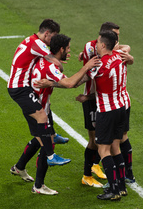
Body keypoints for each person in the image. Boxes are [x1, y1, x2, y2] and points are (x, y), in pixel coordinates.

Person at [11, 34, 101, 195]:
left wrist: (89, 74)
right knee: (47, 143)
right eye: (68, 48)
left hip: (40, 105)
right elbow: (70, 83)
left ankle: (19, 167)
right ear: (61, 49)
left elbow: (67, 82)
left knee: (41, 140)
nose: (69, 51)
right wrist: (86, 67)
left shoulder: (41, 61)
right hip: (38, 109)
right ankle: (39, 186)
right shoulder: (50, 66)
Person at [7, 19, 71, 193]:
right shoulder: (37, 44)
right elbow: (53, 59)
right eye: (54, 37)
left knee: (40, 135)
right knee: (43, 128)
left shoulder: (31, 42)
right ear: (47, 33)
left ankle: (20, 167)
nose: (53, 41)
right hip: (20, 88)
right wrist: (59, 64)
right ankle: (48, 162)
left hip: (24, 88)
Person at [76, 22, 135, 188]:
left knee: (108, 144)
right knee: (106, 142)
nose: (118, 39)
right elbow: (126, 53)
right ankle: (110, 180)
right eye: (115, 36)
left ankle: (117, 181)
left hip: (107, 104)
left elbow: (83, 78)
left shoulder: (107, 57)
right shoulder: (97, 50)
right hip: (108, 102)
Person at [86, 30, 128, 201]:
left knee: (103, 149)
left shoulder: (99, 65)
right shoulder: (120, 57)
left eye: (97, 43)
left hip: (107, 110)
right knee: (116, 148)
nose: (95, 45)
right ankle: (122, 187)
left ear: (103, 45)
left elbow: (76, 82)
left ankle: (113, 190)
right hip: (121, 107)